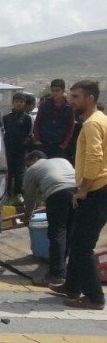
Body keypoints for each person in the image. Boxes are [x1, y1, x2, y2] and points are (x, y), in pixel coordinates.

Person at [49, 80, 107, 310]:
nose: (71, 101)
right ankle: (72, 286)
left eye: (76, 97)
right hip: (97, 188)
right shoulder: (100, 119)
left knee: (83, 245)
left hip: (96, 190)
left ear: (90, 98)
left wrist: (83, 188)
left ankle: (94, 297)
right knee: (76, 239)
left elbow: (94, 158)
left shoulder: (93, 124)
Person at [22, 150, 75, 286]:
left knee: (57, 232)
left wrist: (27, 215)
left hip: (57, 194)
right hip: (77, 192)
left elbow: (29, 197)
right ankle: (62, 266)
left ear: (34, 158)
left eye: (28, 164)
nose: (27, 167)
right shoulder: (62, 161)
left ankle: (56, 274)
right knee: (69, 231)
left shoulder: (33, 169)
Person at [33, 78, 76, 160]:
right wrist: (37, 140)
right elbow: (37, 122)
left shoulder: (69, 107)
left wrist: (64, 144)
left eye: (57, 90)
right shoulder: (44, 104)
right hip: (44, 143)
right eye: (53, 90)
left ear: (63, 90)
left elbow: (71, 127)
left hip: (59, 145)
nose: (55, 93)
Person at [3, 92, 34, 200]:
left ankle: (18, 192)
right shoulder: (7, 118)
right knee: (9, 171)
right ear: (13, 103)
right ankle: (7, 192)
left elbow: (29, 134)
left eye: (21, 102)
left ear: (24, 103)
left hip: (21, 150)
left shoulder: (27, 118)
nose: (19, 104)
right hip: (9, 148)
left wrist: (24, 144)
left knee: (19, 171)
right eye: (17, 102)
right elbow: (5, 132)